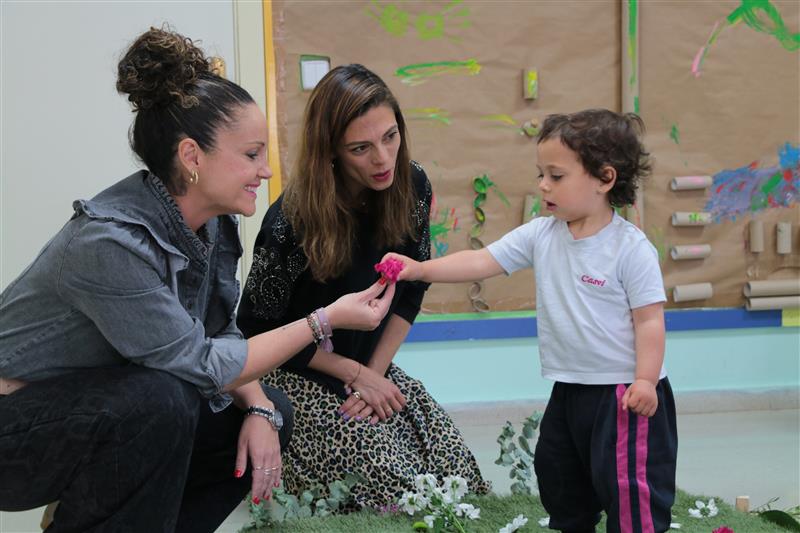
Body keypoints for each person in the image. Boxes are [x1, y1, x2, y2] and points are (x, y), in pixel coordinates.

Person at [0, 28, 395, 533]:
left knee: (266, 411)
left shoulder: (212, 225)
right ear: (192, 157)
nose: (266, 171)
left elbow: (220, 334)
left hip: (94, 409)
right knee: (160, 400)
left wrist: (261, 410)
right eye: (251, 155)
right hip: (15, 423)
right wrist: (324, 320)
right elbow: (202, 365)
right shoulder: (110, 243)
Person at [383, 109, 677, 533]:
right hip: (570, 388)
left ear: (604, 179)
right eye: (541, 174)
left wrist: (646, 381)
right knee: (558, 471)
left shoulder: (631, 249)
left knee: (628, 489)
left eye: (556, 176)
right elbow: (482, 261)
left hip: (624, 394)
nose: (543, 185)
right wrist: (419, 269)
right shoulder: (542, 233)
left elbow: (649, 321)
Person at [236, 64, 490, 510]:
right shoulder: (291, 221)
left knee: (456, 473)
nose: (383, 159)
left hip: (369, 365)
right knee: (393, 486)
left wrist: (374, 374)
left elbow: (412, 289)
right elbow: (254, 334)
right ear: (331, 151)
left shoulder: (412, 185)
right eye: (361, 148)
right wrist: (355, 376)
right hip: (295, 372)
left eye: (391, 137)